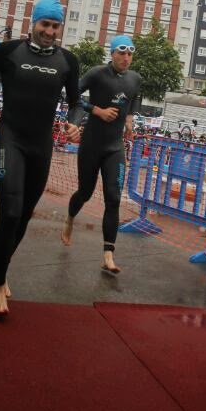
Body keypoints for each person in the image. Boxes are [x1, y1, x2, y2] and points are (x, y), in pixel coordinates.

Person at [0, 0, 80, 315]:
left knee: (25, 215)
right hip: (10, 140)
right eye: (45, 24)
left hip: (41, 146)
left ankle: (3, 265)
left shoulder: (68, 61)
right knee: (11, 213)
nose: (50, 31)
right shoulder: (9, 51)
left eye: (55, 26)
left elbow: (76, 102)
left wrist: (74, 122)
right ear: (34, 23)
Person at [61, 34, 142, 274]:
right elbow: (72, 96)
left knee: (113, 198)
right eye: (121, 53)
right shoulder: (97, 74)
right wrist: (97, 110)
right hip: (92, 145)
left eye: (130, 54)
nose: (126, 58)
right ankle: (69, 218)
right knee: (85, 192)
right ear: (112, 53)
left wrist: (129, 120)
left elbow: (134, 97)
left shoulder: (135, 78)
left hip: (115, 147)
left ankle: (108, 255)